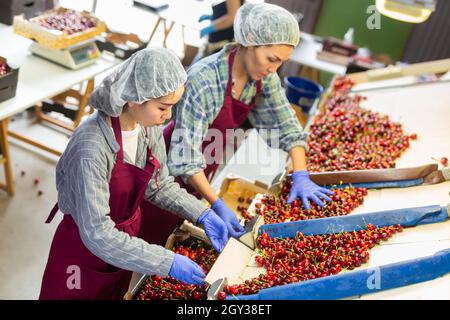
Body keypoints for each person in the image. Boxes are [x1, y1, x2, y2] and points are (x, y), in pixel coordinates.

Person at [39, 48, 228, 300]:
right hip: (81, 258)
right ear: (135, 98)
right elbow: (98, 234)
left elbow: (158, 186)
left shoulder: (146, 128)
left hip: (122, 251)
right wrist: (166, 261)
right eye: (163, 107)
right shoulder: (91, 147)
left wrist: (202, 213)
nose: (168, 115)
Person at [164, 3, 334, 240]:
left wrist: (301, 175)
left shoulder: (264, 77)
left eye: (280, 63)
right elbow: (185, 161)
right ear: (250, 40)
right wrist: (216, 203)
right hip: (165, 174)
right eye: (271, 59)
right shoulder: (205, 80)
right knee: (154, 235)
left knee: (177, 234)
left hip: (204, 167)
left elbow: (287, 126)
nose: (274, 68)